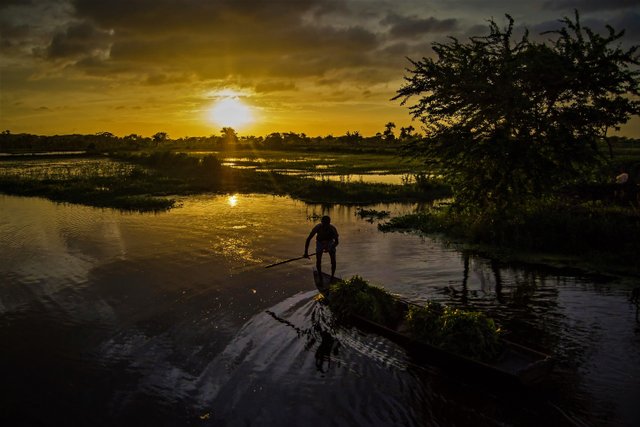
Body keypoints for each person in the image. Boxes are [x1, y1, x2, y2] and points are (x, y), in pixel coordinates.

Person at [304, 215, 339, 282]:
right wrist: (306, 252)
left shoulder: (333, 229)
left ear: (329, 223)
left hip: (330, 242)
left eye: (327, 224)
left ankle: (332, 277)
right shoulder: (317, 227)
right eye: (324, 223)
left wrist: (331, 248)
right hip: (320, 243)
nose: (325, 225)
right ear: (321, 222)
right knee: (318, 260)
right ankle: (320, 277)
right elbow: (308, 239)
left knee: (333, 261)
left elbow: (336, 242)